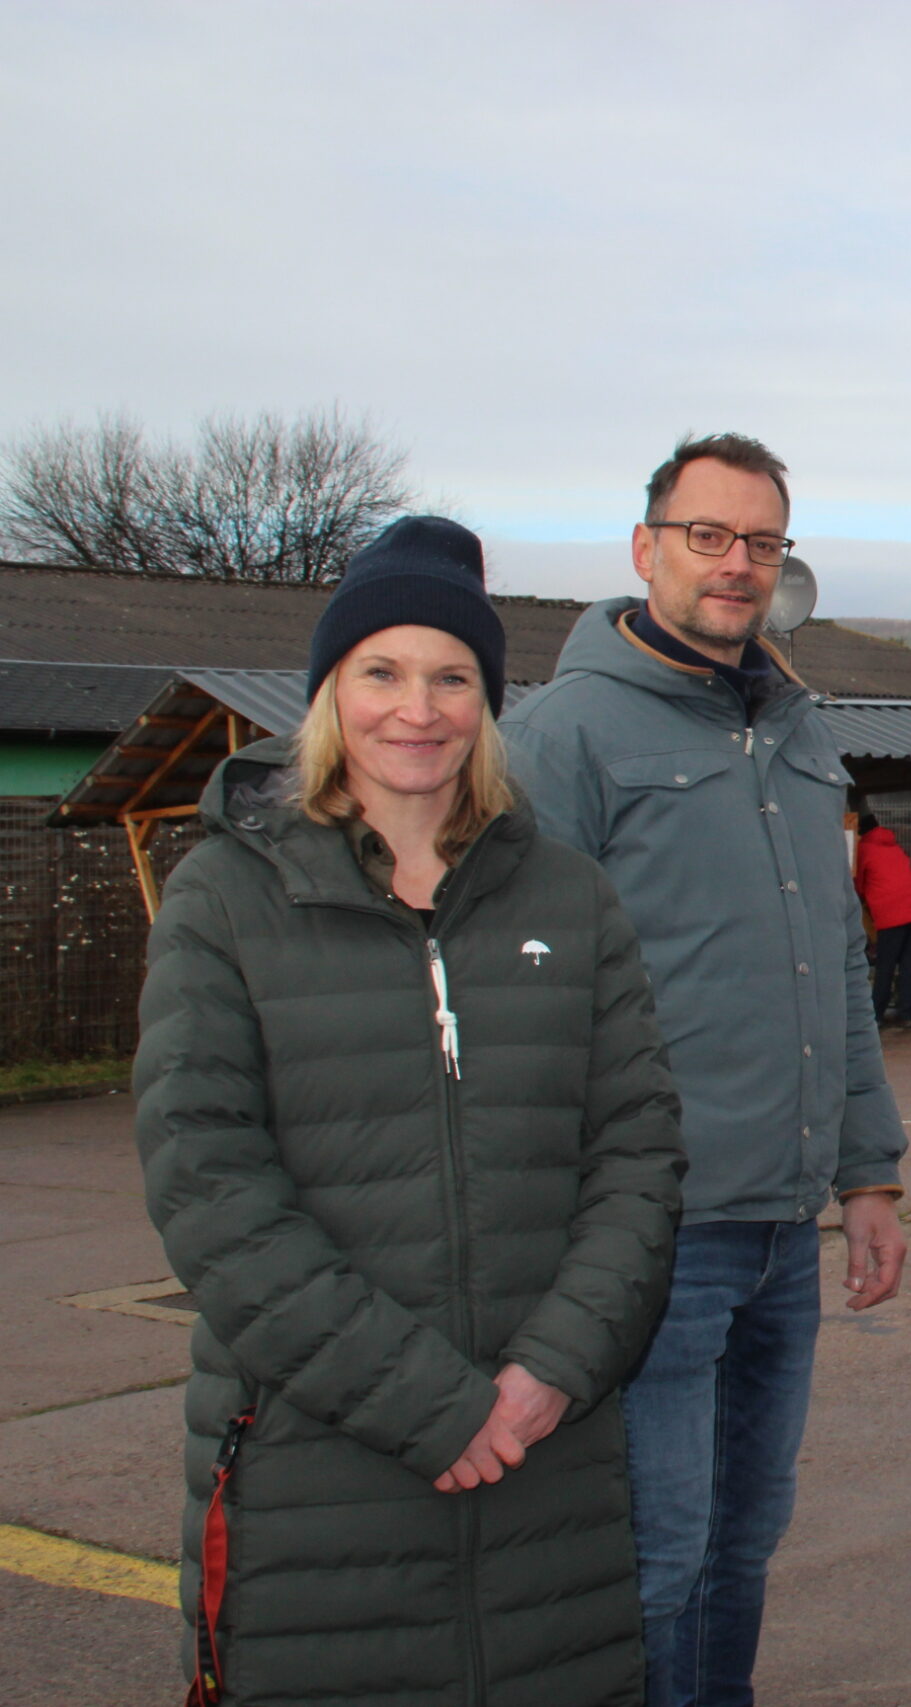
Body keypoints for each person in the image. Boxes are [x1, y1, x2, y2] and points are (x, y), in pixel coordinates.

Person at [133, 516, 686, 1707]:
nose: (417, 708)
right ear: (332, 691)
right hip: (318, 1472)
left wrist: (551, 1370)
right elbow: (209, 1187)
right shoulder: (225, 898)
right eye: (381, 671)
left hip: (550, 1462)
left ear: (487, 704)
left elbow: (637, 1153)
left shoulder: (570, 897)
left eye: (452, 678)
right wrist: (432, 1406)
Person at [503, 434, 908, 1707]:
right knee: (657, 1554)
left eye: (763, 543)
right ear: (646, 550)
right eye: (708, 537)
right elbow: (520, 992)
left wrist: (868, 1170)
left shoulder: (795, 730)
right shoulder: (559, 737)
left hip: (784, 1227)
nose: (736, 566)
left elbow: (835, 963)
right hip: (650, 1236)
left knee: (744, 1545)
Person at [853, 809, 911, 1026]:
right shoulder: (894, 846)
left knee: (885, 966)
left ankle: (876, 1014)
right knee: (909, 965)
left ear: (858, 830)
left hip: (892, 915)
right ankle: (907, 1014)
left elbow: (858, 886)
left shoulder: (863, 850)